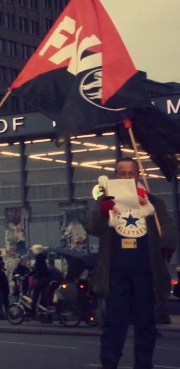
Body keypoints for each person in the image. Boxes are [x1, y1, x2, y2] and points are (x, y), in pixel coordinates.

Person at [85, 157, 177, 369]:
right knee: (114, 323)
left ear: (138, 175)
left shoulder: (153, 202)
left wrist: (168, 242)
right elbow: (91, 227)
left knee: (146, 323)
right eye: (121, 173)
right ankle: (109, 363)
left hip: (145, 272)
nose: (126, 177)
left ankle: (144, 365)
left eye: (130, 173)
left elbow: (167, 225)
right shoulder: (106, 200)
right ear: (115, 176)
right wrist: (102, 212)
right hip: (116, 272)